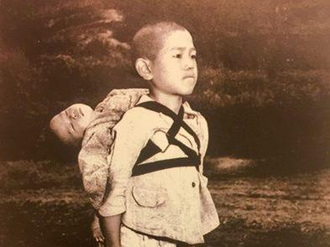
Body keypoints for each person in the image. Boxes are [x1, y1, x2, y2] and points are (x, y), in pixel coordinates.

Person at [99, 21, 219, 247]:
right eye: (177, 56)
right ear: (146, 69)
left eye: (193, 56)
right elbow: (114, 192)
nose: (189, 65)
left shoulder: (197, 124)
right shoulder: (136, 121)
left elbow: (195, 185)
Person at [49, 88, 149, 246]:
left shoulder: (107, 101)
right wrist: (101, 214)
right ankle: (102, 222)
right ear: (78, 142)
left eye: (66, 112)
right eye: (72, 127)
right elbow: (97, 184)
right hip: (140, 167)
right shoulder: (91, 146)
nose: (73, 116)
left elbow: (132, 92)